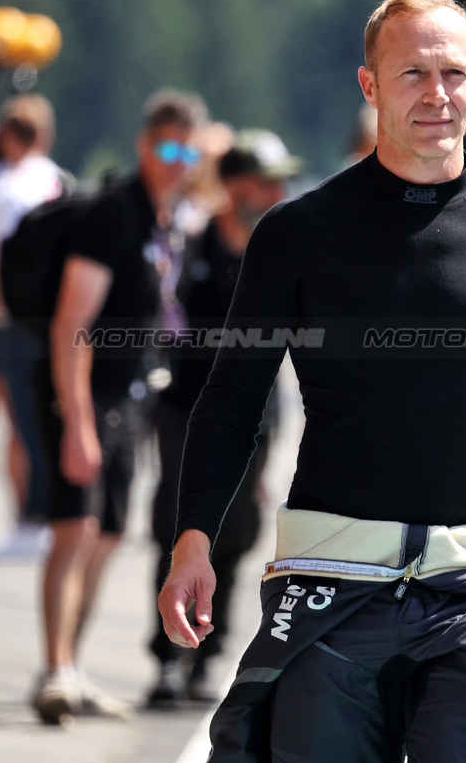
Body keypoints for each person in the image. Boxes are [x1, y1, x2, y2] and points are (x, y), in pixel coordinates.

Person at [159, 0, 466, 762]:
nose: (438, 94)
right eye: (413, 74)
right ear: (370, 85)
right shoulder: (296, 233)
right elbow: (233, 399)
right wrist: (191, 541)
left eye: (455, 75)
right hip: (327, 572)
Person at [30, 89, 207, 724]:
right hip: (85, 395)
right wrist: (76, 420)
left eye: (188, 149)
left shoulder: (166, 218)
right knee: (73, 531)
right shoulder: (115, 215)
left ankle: (70, 669)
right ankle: (54, 669)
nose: (178, 160)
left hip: (130, 399)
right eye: (167, 147)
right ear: (144, 146)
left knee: (105, 536)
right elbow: (71, 323)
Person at [145, 129, 300, 707]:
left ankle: (207, 657)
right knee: (176, 533)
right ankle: (163, 658)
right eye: (267, 179)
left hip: (254, 420)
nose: (279, 189)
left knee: (235, 540)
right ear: (235, 187)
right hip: (185, 415)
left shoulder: (275, 254)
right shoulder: (191, 246)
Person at [0, 93, 66, 554]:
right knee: (42, 417)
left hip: (13, 318)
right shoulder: (55, 178)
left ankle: (31, 515)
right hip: (53, 315)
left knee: (23, 422)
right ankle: (41, 511)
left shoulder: (8, 187)